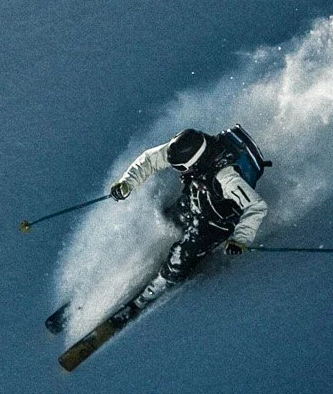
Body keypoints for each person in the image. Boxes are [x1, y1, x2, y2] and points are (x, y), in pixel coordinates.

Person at [110, 124, 270, 304]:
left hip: (216, 223)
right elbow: (151, 159)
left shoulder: (226, 177)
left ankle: (158, 287)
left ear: (194, 163)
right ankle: (161, 254)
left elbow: (256, 206)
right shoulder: (186, 149)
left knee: (184, 253)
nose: (177, 171)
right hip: (197, 200)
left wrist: (240, 239)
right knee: (171, 219)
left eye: (181, 168)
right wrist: (127, 183)